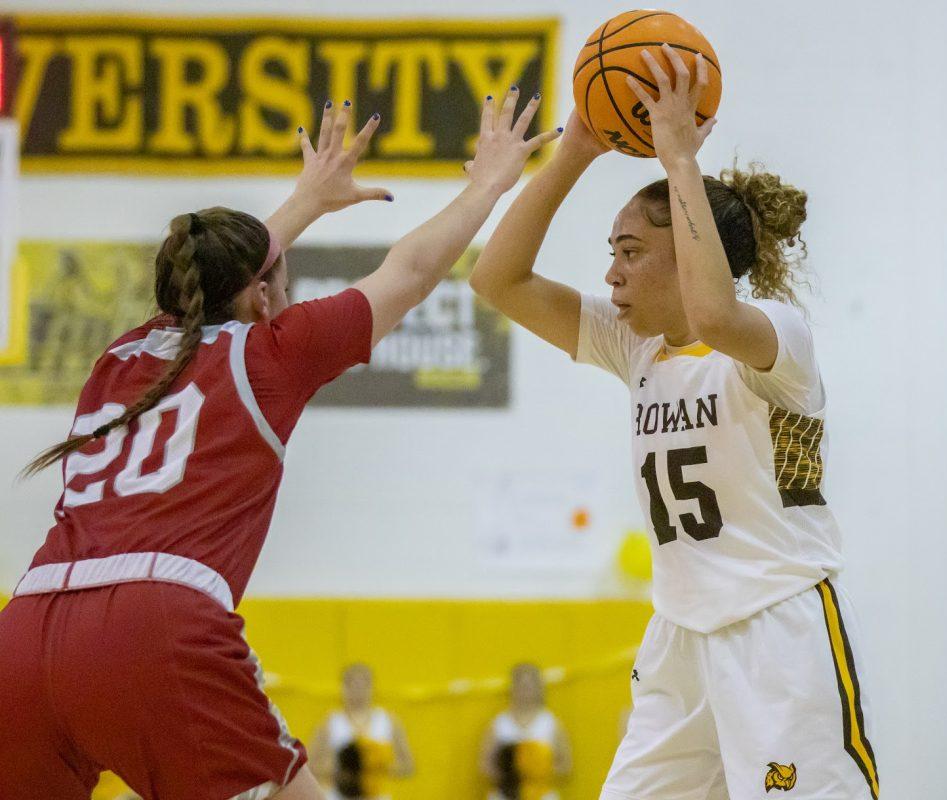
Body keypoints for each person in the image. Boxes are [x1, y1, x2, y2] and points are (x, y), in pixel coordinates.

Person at [0, 91, 558, 800]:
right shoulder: (269, 354)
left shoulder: (120, 356)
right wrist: (488, 184)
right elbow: (411, 271)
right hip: (152, 626)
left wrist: (306, 202)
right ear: (263, 298)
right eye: (280, 284)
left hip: (23, 631)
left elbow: (211, 277)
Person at [469, 46, 879, 800]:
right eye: (611, 253)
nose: (611, 273)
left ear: (693, 256)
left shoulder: (777, 337)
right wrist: (579, 151)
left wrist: (680, 159)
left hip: (776, 630)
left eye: (631, 252)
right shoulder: (636, 347)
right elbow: (497, 280)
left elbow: (716, 312)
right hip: (678, 636)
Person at [309, 663, 414, 799]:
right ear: (343, 687)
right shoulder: (330, 722)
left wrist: (377, 765)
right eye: (352, 685)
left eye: (363, 685)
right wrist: (340, 770)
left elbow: (408, 766)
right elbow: (310, 766)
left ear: (372, 687)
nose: (358, 690)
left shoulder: (388, 720)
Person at [480, 663, 571, 800]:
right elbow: (484, 765)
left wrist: (537, 771)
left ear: (539, 688)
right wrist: (511, 774)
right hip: (505, 795)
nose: (525, 691)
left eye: (530, 686)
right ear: (513, 688)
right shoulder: (499, 724)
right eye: (521, 686)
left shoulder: (550, 723)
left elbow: (566, 764)